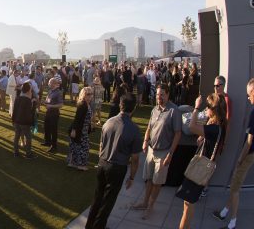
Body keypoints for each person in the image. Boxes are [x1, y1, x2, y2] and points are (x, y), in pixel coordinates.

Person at [85, 95, 141, 229]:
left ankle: (89, 225)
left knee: (98, 198)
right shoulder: (134, 129)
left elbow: (100, 145)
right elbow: (135, 158)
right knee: (107, 202)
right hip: (117, 168)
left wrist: (102, 159)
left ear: (120, 105)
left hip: (103, 163)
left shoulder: (108, 122)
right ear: (133, 109)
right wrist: (132, 177)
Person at [131, 84, 182, 220]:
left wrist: (170, 153)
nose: (159, 97)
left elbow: (177, 134)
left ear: (168, 95)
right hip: (151, 150)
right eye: (158, 94)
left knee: (157, 182)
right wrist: (145, 141)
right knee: (149, 179)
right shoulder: (154, 109)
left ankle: (150, 207)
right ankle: (145, 202)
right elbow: (149, 127)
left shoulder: (174, 111)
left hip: (164, 152)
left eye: (162, 94)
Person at [176, 93, 226, 229]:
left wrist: (196, 108)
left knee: (188, 204)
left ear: (213, 110)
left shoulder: (214, 129)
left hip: (199, 169)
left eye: (207, 106)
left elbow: (191, 127)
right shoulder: (218, 126)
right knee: (188, 203)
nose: (206, 109)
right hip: (202, 168)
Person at [212, 78, 254, 229]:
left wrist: (240, 160)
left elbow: (249, 142)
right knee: (234, 184)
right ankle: (224, 212)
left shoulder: (253, 113)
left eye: (249, 94)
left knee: (235, 188)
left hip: (248, 155)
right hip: (249, 154)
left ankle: (232, 222)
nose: (248, 98)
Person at [67, 87, 93, 171]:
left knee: (77, 146)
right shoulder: (83, 105)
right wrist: (74, 130)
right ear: (83, 95)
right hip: (79, 130)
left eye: (91, 94)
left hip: (83, 129)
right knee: (83, 147)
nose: (90, 96)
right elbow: (77, 118)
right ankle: (80, 165)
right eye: (87, 94)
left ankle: (73, 163)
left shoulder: (87, 104)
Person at [12, 82, 38, 159]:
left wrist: (13, 120)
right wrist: (33, 103)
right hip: (24, 122)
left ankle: (16, 152)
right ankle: (28, 154)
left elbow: (15, 110)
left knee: (17, 136)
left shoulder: (18, 98)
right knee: (28, 137)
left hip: (17, 120)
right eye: (30, 89)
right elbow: (30, 113)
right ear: (28, 90)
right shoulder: (28, 100)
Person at [42, 77, 63, 153]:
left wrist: (50, 106)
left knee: (53, 130)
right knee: (46, 127)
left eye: (50, 83)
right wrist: (45, 102)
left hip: (54, 113)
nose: (48, 84)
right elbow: (48, 100)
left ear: (54, 84)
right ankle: (47, 142)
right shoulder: (50, 91)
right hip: (48, 112)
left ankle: (54, 146)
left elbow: (60, 105)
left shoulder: (58, 92)